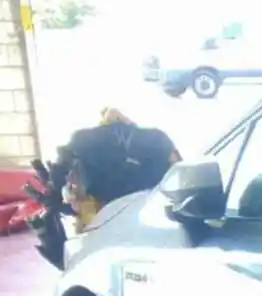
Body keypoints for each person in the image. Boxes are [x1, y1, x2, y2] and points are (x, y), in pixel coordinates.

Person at [24, 109, 179, 268]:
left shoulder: (86, 142)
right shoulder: (156, 144)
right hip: (124, 212)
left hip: (124, 212)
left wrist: (55, 191)